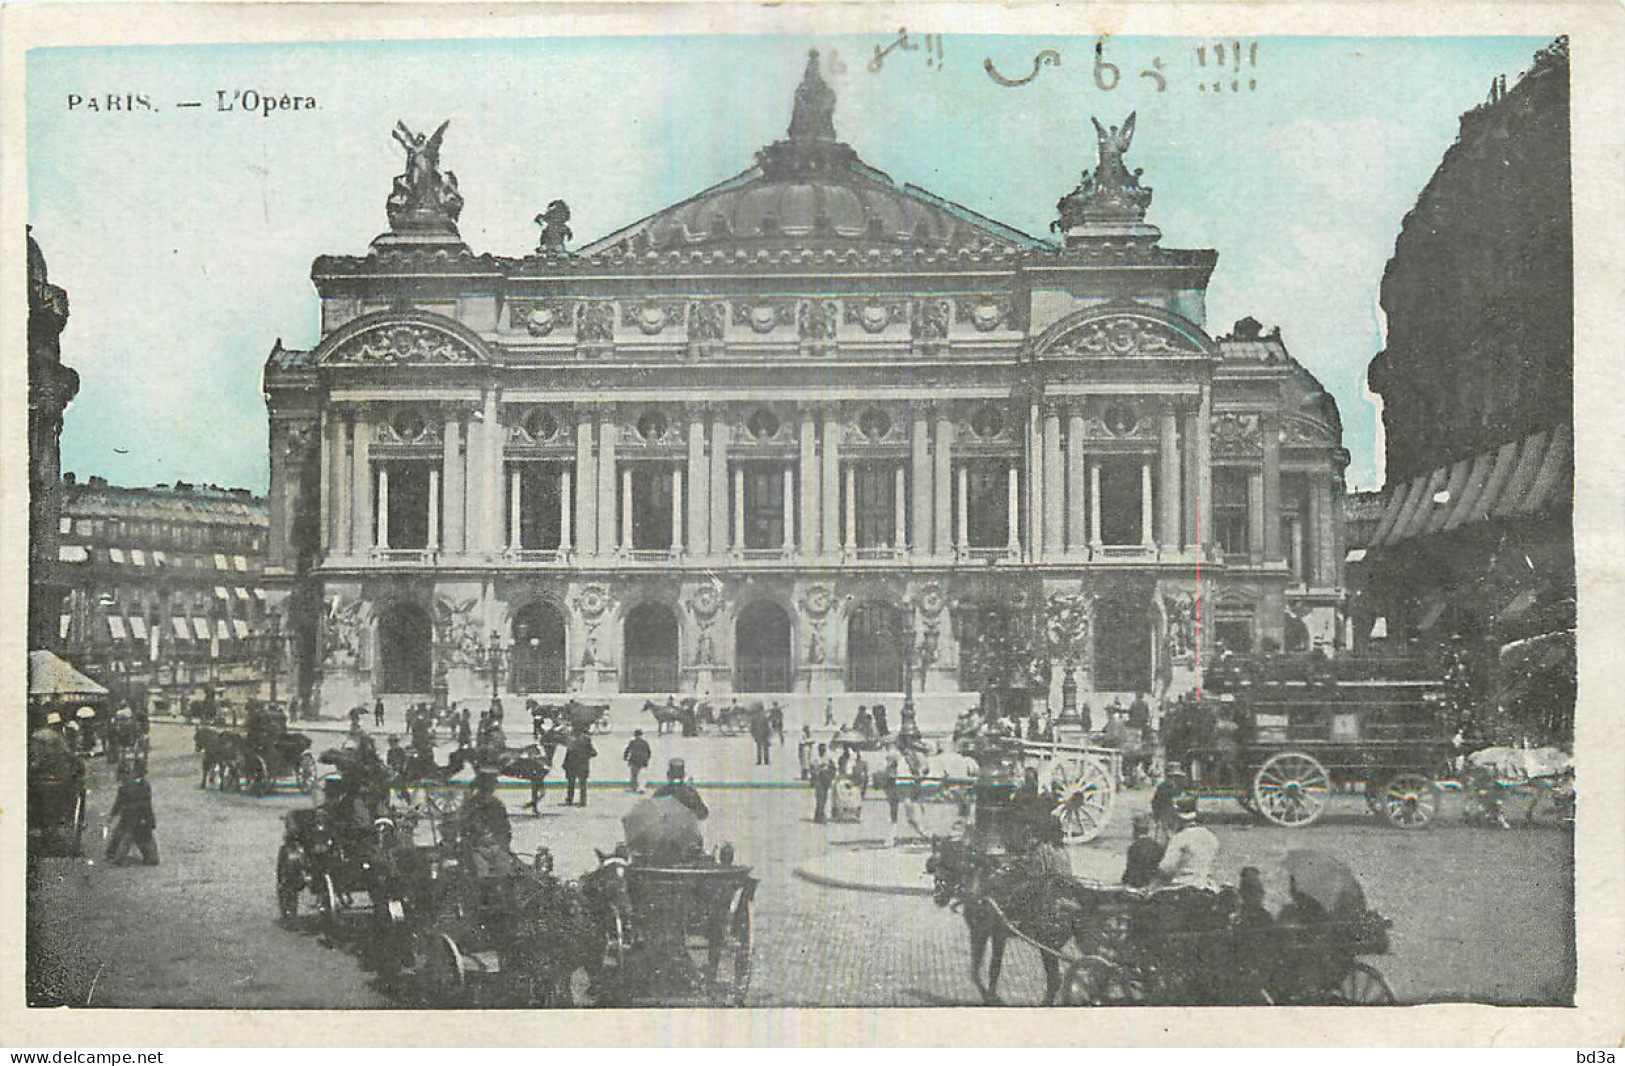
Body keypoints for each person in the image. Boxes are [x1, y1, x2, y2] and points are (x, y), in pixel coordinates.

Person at [1154, 793, 1219, 892]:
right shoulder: (1211, 836)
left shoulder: (1179, 838)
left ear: (1178, 818)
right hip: (1207, 886)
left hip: (1182, 887)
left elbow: (1166, 869)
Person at [105, 762, 159, 866]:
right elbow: (147, 804)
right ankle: (150, 857)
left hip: (130, 816)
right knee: (145, 839)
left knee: (125, 837)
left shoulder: (126, 785)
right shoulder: (145, 784)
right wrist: (149, 819)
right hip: (142, 816)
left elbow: (119, 802)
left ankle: (117, 857)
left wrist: (112, 815)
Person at [1121, 813, 1165, 888]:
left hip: (1137, 885)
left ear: (1135, 830)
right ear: (1147, 830)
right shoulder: (1157, 846)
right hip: (1152, 885)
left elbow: (1128, 874)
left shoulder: (1133, 848)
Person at [562, 729, 597, 807]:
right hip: (582, 765)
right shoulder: (586, 740)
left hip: (572, 765)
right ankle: (582, 801)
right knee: (582, 785)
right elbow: (594, 753)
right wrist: (586, 756)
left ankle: (570, 800)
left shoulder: (571, 740)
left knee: (571, 784)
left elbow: (568, 754)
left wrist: (565, 764)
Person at [876, 751, 903, 846]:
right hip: (891, 795)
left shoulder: (890, 770)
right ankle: (891, 838)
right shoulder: (890, 770)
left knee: (893, 817)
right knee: (892, 817)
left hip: (891, 794)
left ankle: (891, 838)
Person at [810, 743, 835, 824]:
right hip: (818, 780)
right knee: (819, 799)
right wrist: (819, 768)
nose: (822, 751)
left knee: (824, 799)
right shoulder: (815, 759)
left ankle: (818, 815)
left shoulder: (828, 758)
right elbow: (812, 770)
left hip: (826, 780)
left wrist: (830, 776)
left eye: (824, 749)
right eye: (821, 749)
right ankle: (820, 816)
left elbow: (833, 769)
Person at [385, 735, 412, 805]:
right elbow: (389, 763)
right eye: (390, 742)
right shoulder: (389, 752)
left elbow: (404, 763)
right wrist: (390, 769)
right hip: (393, 772)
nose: (392, 744)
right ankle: (387, 802)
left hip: (402, 772)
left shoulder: (401, 751)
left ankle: (407, 799)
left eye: (394, 742)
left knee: (400, 782)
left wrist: (399, 769)